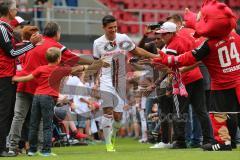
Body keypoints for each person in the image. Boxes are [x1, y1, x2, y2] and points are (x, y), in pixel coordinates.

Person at [153, 0, 239, 151]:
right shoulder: (236, 37)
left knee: (217, 114)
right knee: (230, 113)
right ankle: (229, 142)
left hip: (220, 84)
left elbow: (187, 58)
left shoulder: (208, 44)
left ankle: (223, 142)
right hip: (235, 80)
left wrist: (166, 59)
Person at [7, 21, 104, 156]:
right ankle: (41, 149)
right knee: (41, 120)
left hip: (23, 84)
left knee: (19, 117)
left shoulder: (34, 42)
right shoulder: (54, 46)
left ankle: (11, 147)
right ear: (57, 33)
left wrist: (14, 78)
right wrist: (96, 62)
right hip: (39, 89)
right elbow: (75, 60)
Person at [93, 15, 158, 152]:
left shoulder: (123, 38)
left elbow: (137, 51)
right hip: (106, 80)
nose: (113, 30)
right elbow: (95, 63)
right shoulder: (97, 43)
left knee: (118, 117)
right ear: (103, 28)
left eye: (115, 27)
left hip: (120, 82)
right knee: (107, 111)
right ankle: (108, 144)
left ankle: (113, 134)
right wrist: (96, 81)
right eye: (110, 28)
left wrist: (155, 56)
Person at [12, 47, 92, 156]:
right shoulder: (60, 69)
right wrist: (87, 66)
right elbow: (76, 69)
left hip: (37, 96)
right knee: (47, 125)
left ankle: (32, 150)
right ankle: (46, 151)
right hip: (48, 98)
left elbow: (27, 78)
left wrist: (14, 79)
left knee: (33, 124)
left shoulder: (41, 68)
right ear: (59, 58)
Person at [0, 0, 42, 157]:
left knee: (9, 113)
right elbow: (11, 53)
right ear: (10, 12)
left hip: (7, 75)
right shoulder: (2, 28)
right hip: (3, 75)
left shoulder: (6, 28)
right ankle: (2, 149)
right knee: (4, 113)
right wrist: (30, 45)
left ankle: (6, 146)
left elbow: (11, 49)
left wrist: (28, 44)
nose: (17, 10)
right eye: (15, 8)